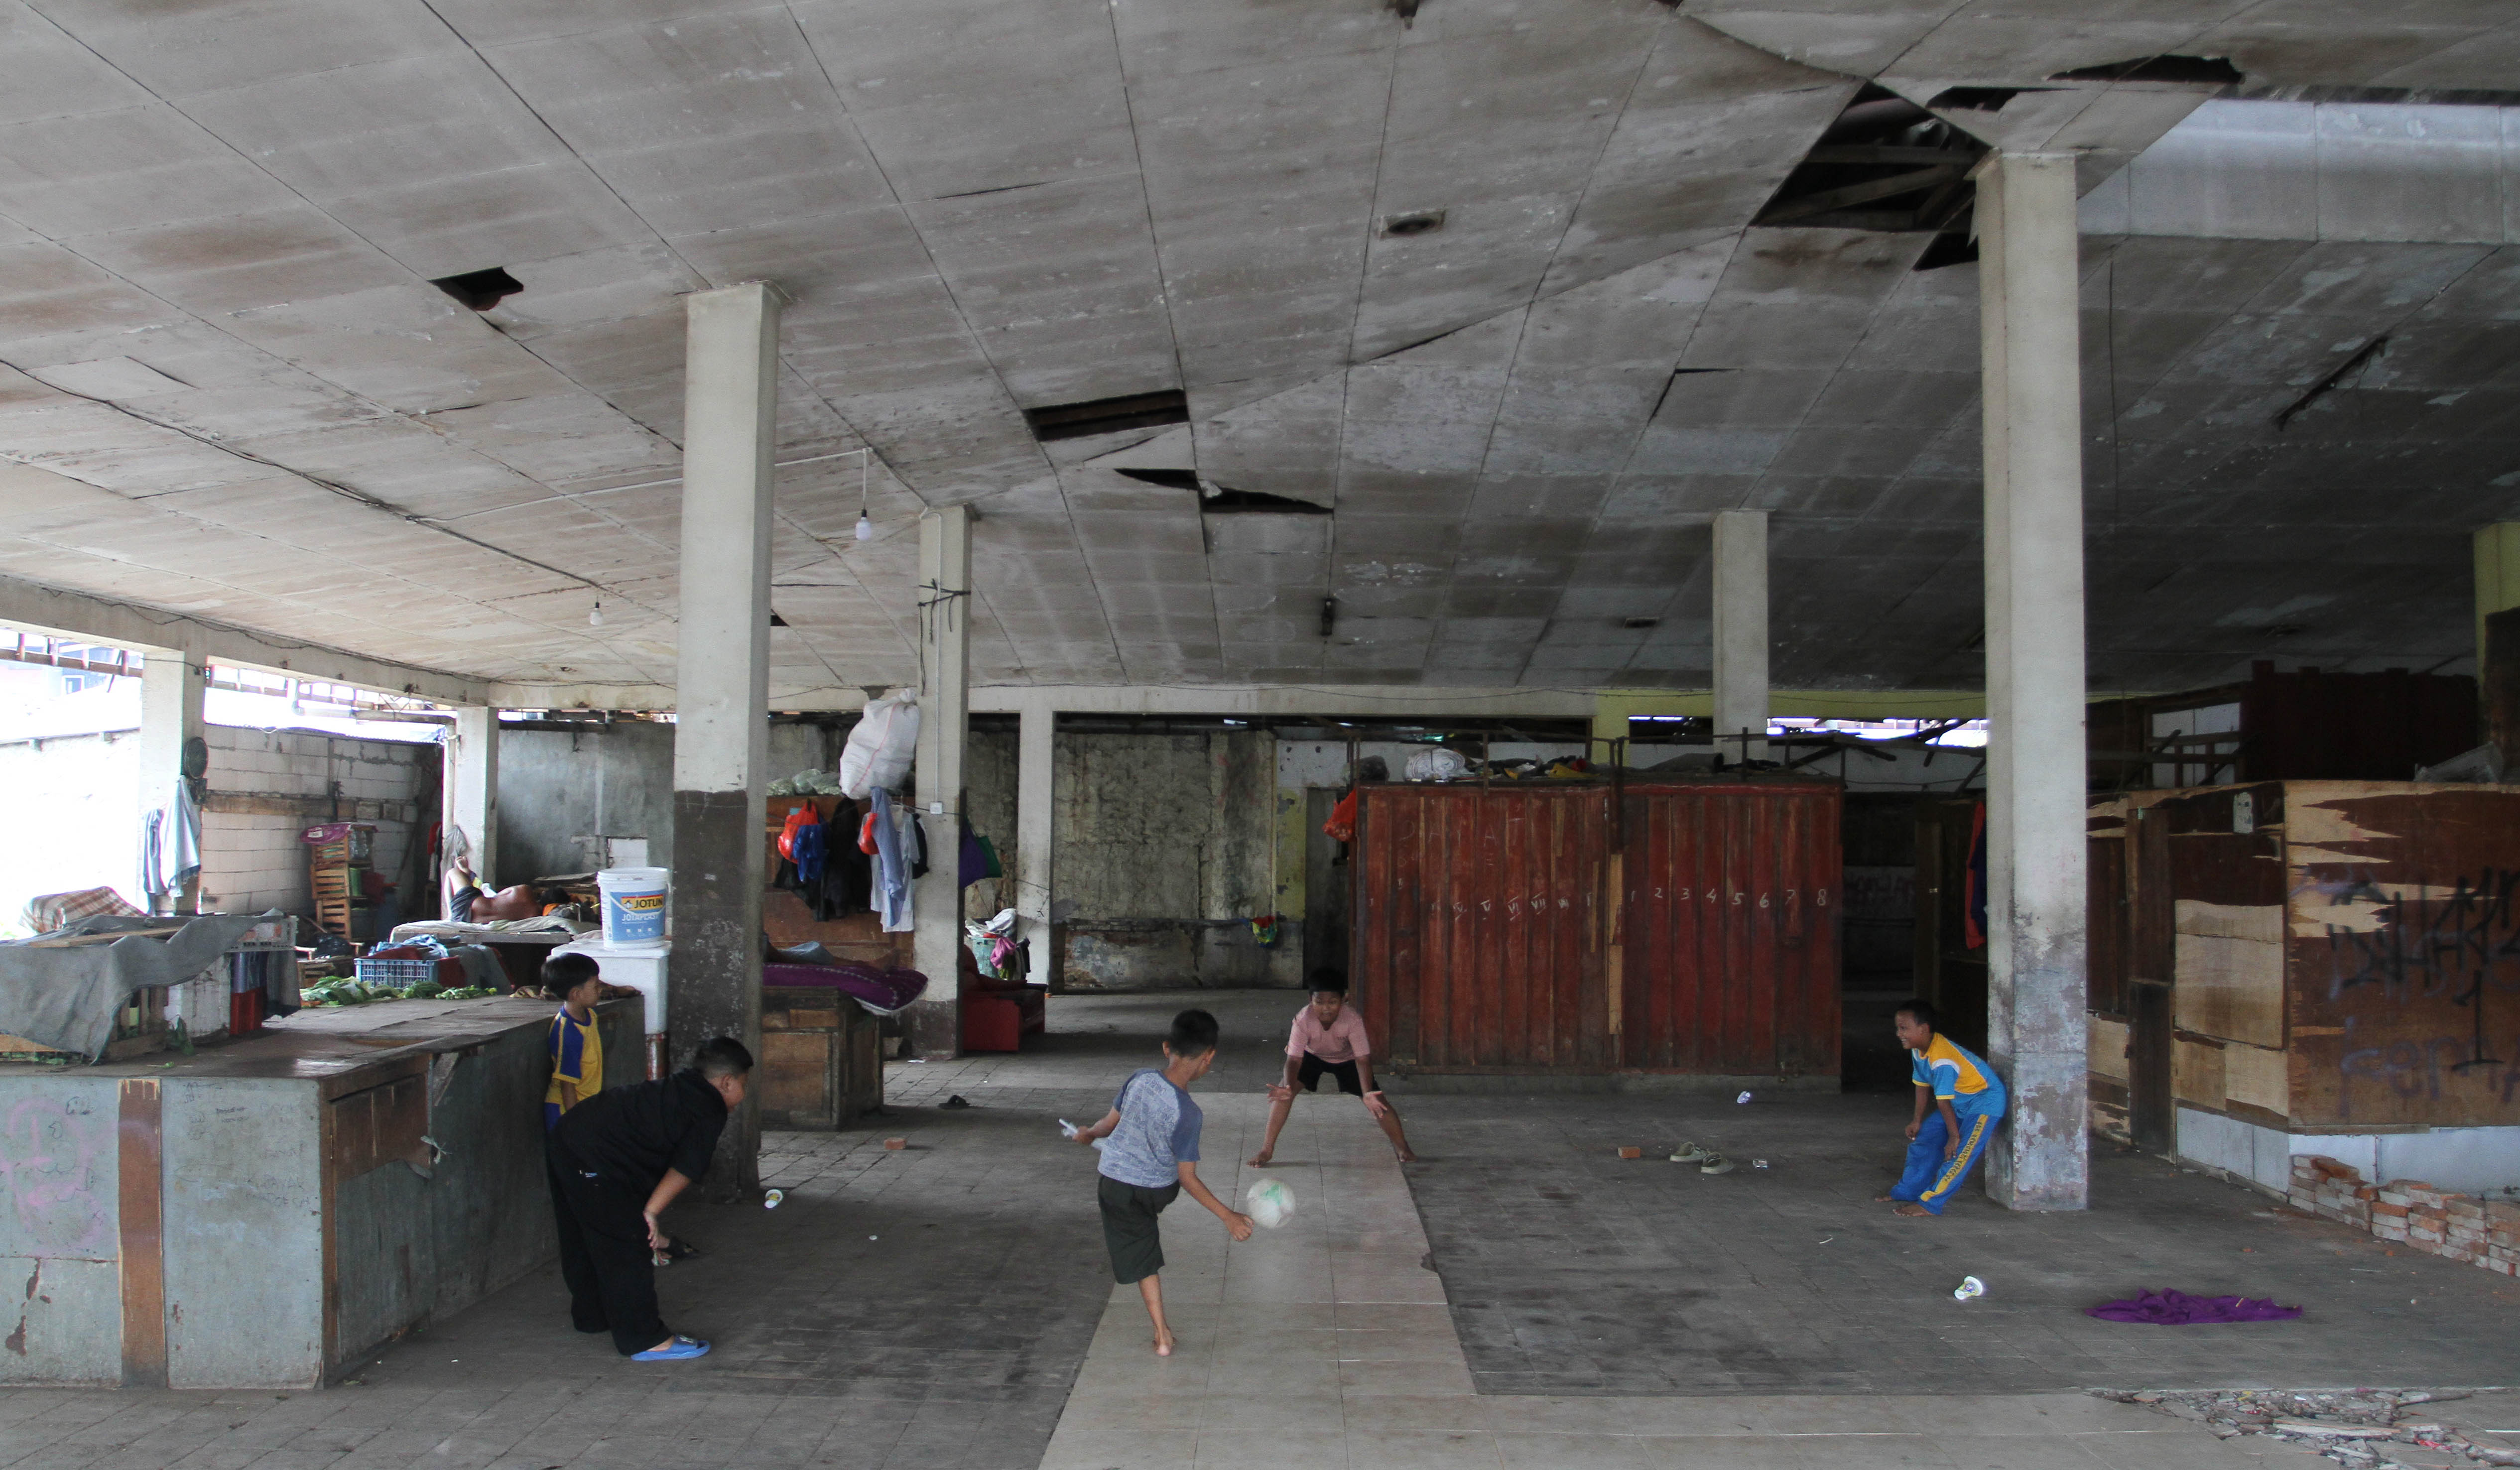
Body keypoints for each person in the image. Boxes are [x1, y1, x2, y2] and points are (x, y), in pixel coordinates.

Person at [545, 1036, 752, 1360]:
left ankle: (592, 1315)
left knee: (582, 1233)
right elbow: (686, 1167)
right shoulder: (710, 1108)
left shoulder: (681, 1086)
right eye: (744, 1084)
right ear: (727, 1082)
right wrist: (651, 1214)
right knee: (626, 1243)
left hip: (569, 1133)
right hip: (597, 1156)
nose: (744, 1093)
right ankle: (644, 1339)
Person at [1070, 1008, 1253, 1356]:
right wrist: (1227, 1216)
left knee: (1143, 1258)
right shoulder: (1189, 1113)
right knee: (1144, 1244)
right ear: (1209, 1057)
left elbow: (1107, 1125)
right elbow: (1187, 1179)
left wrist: (1088, 1134)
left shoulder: (1139, 1080)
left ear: (1167, 1048)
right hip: (1157, 1190)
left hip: (1116, 1186)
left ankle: (1162, 1334)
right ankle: (1163, 1333)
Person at [1248, 970, 1414, 1166]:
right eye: (1319, 1002)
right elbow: (1293, 1059)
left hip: (1347, 1060)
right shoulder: (1302, 1020)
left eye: (1332, 1002)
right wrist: (1289, 1086)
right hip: (1312, 1056)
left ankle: (1403, 1147)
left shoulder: (1353, 1020)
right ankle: (1267, 1150)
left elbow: (1362, 1059)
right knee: (1284, 1092)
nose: (1326, 1008)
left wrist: (1368, 1092)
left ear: (1344, 999)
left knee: (1377, 1100)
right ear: (1311, 999)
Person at [1878, 999, 2007, 1218]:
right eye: (1898, 1028)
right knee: (1925, 1139)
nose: (1899, 1033)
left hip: (1983, 1103)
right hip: (1959, 1102)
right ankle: (1908, 1191)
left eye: (1904, 1028)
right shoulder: (1919, 1049)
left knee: (1960, 1154)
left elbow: (1943, 1102)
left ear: (1924, 1029)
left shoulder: (1942, 1059)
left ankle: (1931, 1203)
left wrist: (1954, 1137)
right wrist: (1917, 1120)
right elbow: (1921, 1085)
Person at [543, 953, 606, 1131]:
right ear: (576, 994)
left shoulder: (590, 1015)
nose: (600, 990)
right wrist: (575, 1124)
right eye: (596, 986)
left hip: (584, 1107)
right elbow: (567, 1085)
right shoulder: (569, 1033)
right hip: (566, 1113)